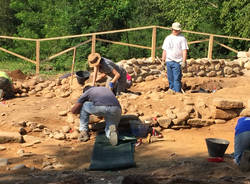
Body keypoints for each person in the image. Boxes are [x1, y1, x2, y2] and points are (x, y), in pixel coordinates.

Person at [161, 22, 188, 93]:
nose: (175, 31)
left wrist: (183, 62)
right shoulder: (168, 38)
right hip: (169, 61)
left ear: (179, 30)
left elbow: (184, 51)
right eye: (174, 30)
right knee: (170, 78)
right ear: (172, 29)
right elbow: (165, 50)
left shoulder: (182, 38)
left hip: (177, 62)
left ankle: (177, 92)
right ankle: (172, 90)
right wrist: (163, 60)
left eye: (176, 30)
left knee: (176, 79)